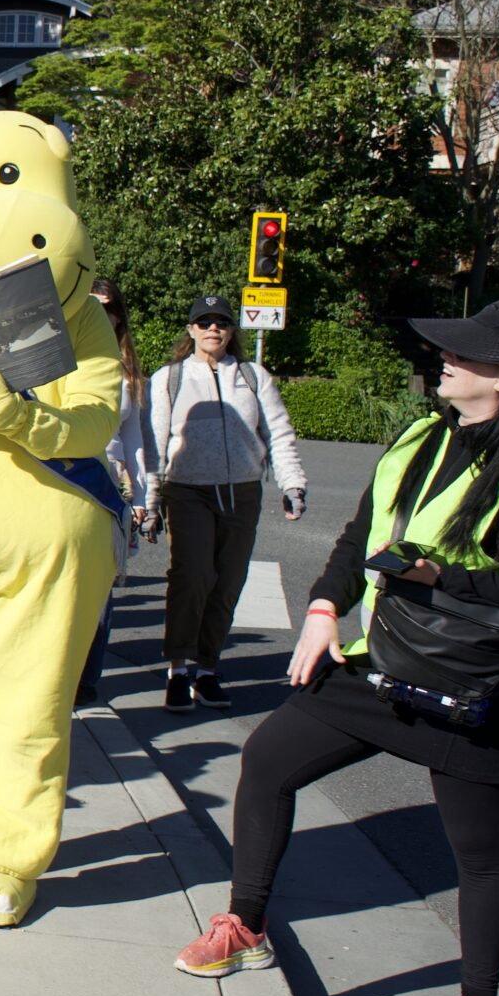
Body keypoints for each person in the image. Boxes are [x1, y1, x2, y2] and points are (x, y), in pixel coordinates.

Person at [174, 300, 499, 996]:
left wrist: (443, 577)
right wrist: (324, 608)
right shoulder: (421, 436)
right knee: (268, 760)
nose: (445, 361)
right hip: (388, 657)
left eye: (464, 355)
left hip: (488, 687)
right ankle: (246, 925)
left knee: (481, 853)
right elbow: (360, 537)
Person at [149, 294, 307, 712]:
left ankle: (207, 669)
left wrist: (293, 484)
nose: (212, 329)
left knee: (227, 581)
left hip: (242, 491)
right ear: (191, 330)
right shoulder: (169, 378)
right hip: (188, 490)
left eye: (220, 322)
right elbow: (155, 441)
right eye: (204, 322)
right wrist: (151, 500)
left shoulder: (253, 376)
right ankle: (178, 670)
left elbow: (278, 432)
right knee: (192, 576)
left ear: (231, 330)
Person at [79, 277, 154, 704]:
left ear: (118, 316)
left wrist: (142, 497)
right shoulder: (62, 353)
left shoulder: (129, 373)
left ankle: (87, 678)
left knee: (102, 586)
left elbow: (136, 438)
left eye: (107, 307)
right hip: (68, 473)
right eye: (90, 303)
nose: (99, 312)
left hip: (110, 483)